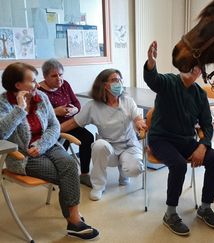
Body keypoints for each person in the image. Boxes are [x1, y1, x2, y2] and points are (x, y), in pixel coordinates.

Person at [0, 62, 99, 240]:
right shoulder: (3, 103)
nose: (37, 85)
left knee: (69, 165)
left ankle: (73, 219)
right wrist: (20, 109)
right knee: (65, 174)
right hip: (23, 155)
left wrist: (42, 145)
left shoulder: (41, 98)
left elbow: (54, 125)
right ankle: (74, 220)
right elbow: (2, 133)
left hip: (47, 145)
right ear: (18, 85)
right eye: (32, 81)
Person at [144, 40, 214, 236]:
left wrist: (203, 146)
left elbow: (207, 125)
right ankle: (170, 213)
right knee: (179, 165)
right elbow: (152, 80)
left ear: (199, 72)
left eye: (196, 67)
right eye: (188, 65)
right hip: (160, 138)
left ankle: (205, 207)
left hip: (185, 140)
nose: (192, 69)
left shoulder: (199, 94)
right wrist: (151, 62)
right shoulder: (168, 82)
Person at [61, 68, 145, 201]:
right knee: (99, 145)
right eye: (114, 80)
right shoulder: (93, 106)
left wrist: (140, 122)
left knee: (135, 169)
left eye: (119, 79)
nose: (119, 83)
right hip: (108, 147)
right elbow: (73, 123)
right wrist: (53, 131)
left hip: (129, 145)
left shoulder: (127, 101)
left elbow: (137, 118)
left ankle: (124, 172)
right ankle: (98, 186)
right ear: (104, 85)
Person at [38, 58, 94, 188]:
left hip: (70, 124)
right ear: (45, 77)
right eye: (54, 76)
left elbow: (77, 104)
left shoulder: (65, 85)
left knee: (88, 138)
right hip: (51, 128)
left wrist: (75, 109)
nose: (59, 78)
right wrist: (55, 112)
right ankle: (58, 176)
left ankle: (84, 174)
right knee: (62, 146)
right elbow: (36, 116)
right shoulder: (39, 91)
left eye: (60, 74)